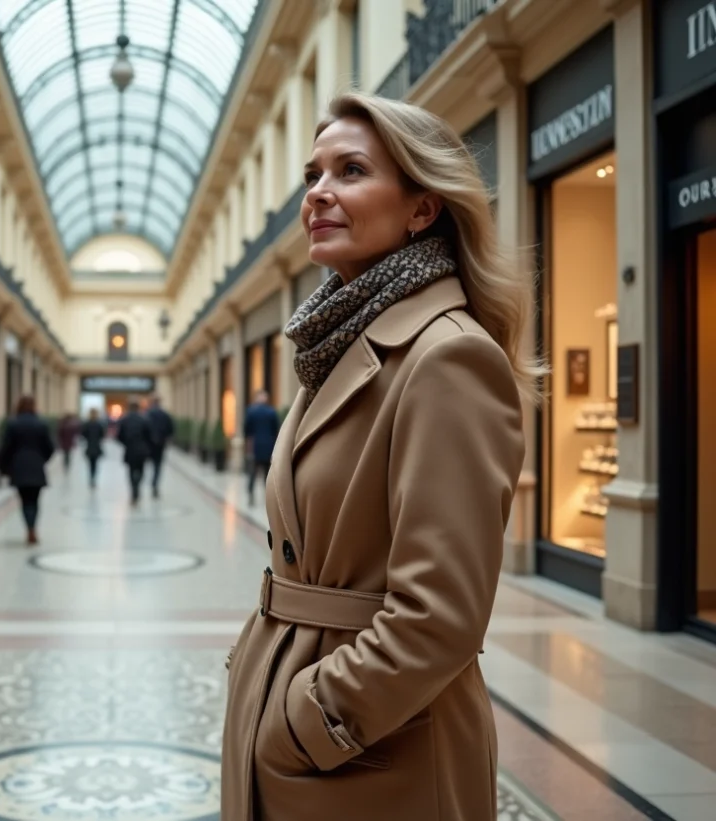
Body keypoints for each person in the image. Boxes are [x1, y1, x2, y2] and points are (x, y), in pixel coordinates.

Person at [222, 92, 536, 821]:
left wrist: (307, 719)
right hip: (304, 710)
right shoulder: (334, 345)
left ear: (421, 208)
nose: (319, 193)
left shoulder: (448, 357)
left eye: (351, 170)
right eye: (312, 174)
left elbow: (441, 613)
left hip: (372, 750)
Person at [0, 395, 55, 546]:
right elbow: (50, 448)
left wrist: (4, 467)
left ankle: (29, 528)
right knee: (35, 500)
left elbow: (6, 449)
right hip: (36, 467)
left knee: (24, 500)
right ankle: (33, 528)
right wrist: (42, 459)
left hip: (19, 467)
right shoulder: (41, 424)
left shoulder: (13, 424)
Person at [242, 389, 280, 504]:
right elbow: (276, 430)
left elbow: (246, 430)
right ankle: (267, 498)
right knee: (266, 473)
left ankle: (250, 495)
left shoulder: (251, 411)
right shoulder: (271, 412)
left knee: (253, 472)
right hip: (269, 446)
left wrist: (247, 445)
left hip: (255, 447)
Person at [116, 399, 153, 506]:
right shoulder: (144, 419)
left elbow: (119, 436)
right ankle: (137, 487)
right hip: (142, 450)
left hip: (130, 449)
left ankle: (134, 489)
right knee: (141, 470)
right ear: (138, 408)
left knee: (131, 471)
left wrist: (126, 443)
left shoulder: (124, 420)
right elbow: (149, 436)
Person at [145, 394, 175, 498]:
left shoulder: (147, 414)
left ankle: (143, 484)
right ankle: (155, 485)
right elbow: (171, 430)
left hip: (148, 445)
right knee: (157, 466)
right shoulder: (165, 415)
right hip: (160, 445)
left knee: (145, 465)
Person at [80, 408, 106, 489]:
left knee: (90, 464)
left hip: (89, 447)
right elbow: (102, 435)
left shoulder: (87, 424)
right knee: (95, 464)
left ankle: (91, 478)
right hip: (97, 447)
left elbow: (83, 434)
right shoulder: (99, 424)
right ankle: (93, 478)